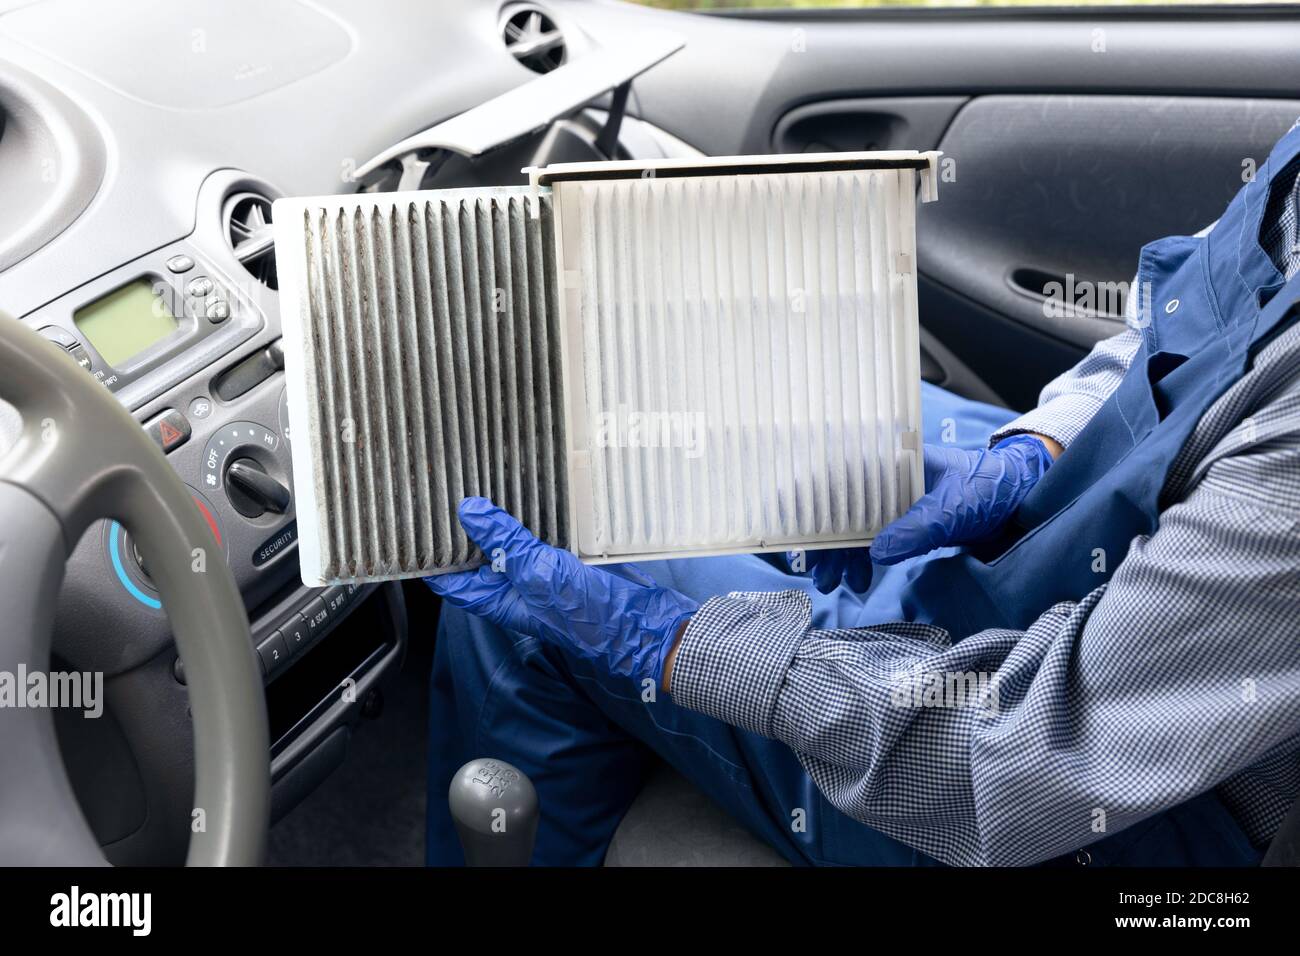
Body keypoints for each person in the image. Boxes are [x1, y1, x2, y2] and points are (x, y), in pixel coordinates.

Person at [424, 124, 1300, 866]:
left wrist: (673, 643)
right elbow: (1176, 316)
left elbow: (1015, 760)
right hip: (1125, 587)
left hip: (1098, 805)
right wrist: (1038, 447)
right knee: (748, 415)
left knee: (540, 549)